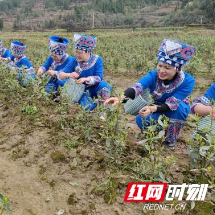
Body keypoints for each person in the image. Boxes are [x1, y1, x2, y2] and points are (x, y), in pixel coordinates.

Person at [104, 38, 196, 148]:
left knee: (180, 108)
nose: (161, 70)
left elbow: (171, 104)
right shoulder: (153, 75)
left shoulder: (188, 81)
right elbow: (137, 87)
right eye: (160, 65)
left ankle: (170, 139)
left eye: (167, 67)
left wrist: (152, 109)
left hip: (173, 109)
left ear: (178, 69)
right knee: (141, 119)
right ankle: (154, 134)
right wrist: (120, 99)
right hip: (154, 107)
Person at [58, 33, 112, 111]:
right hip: (83, 90)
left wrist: (86, 79)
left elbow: (99, 77)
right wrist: (68, 74)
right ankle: (94, 103)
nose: (77, 55)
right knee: (86, 107)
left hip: (96, 87)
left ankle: (103, 110)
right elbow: (60, 74)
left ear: (88, 52)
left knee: (104, 86)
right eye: (76, 52)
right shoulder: (74, 61)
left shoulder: (98, 60)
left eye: (80, 53)